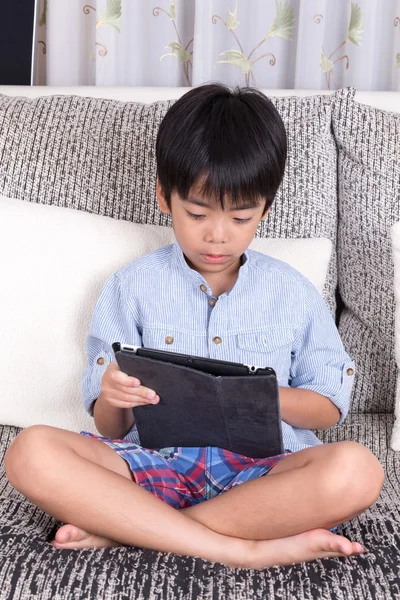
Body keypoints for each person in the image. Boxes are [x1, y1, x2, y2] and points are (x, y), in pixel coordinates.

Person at [4, 83, 384, 570]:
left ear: (265, 209)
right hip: (151, 465)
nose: (217, 235)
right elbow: (108, 425)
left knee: (356, 470)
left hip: (263, 476)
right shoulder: (130, 287)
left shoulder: (293, 293)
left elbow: (328, 407)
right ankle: (238, 548)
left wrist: (257, 397)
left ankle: (129, 528)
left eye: (241, 217)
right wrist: (116, 397)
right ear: (166, 196)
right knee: (30, 451)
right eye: (198, 213)